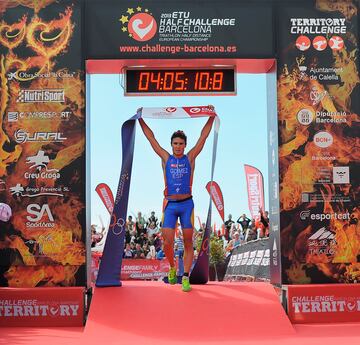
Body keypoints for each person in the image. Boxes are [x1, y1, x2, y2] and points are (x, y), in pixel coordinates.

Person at [139, 108, 215, 292]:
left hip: (187, 204)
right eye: (175, 143)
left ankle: (186, 276)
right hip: (170, 205)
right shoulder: (166, 158)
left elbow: (203, 138)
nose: (178, 146)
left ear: (185, 145)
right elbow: (151, 139)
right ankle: (173, 268)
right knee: (167, 242)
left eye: (181, 143)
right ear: (171, 145)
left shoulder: (191, 157)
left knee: (189, 243)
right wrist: (140, 120)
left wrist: (211, 118)